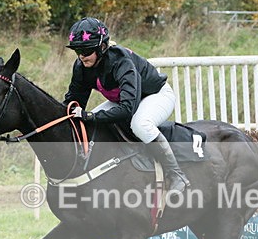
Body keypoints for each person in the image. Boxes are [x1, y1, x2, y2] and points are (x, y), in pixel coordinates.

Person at [64, 17, 189, 192]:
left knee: (140, 125)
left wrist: (90, 115)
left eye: (86, 50)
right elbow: (74, 101)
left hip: (156, 95)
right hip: (126, 100)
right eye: (77, 51)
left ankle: (176, 174)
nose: (81, 56)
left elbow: (127, 110)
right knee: (89, 126)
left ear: (102, 47)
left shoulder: (121, 62)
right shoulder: (81, 66)